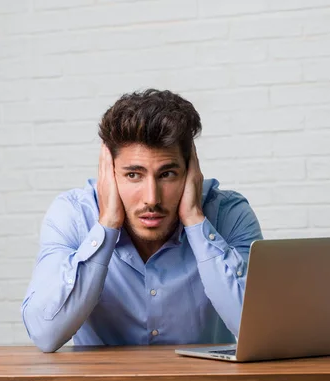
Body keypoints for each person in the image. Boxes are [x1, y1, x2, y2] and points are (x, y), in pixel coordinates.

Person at [21, 89, 263, 353]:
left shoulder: (228, 214)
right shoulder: (73, 215)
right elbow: (45, 334)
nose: (151, 198)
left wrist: (194, 219)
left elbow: (258, 332)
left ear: (191, 171)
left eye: (167, 174)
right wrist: (107, 225)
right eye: (133, 175)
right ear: (109, 172)